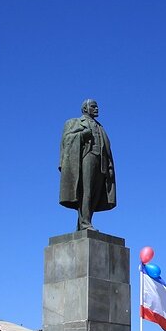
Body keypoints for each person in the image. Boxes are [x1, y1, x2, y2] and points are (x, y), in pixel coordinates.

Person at [59, 98, 116, 231]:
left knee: (96, 193)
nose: (97, 109)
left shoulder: (101, 128)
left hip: (100, 161)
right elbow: (66, 140)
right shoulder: (75, 122)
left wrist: (110, 166)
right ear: (85, 109)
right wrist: (83, 134)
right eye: (93, 107)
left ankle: (83, 224)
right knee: (86, 191)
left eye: (97, 107)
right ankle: (85, 223)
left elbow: (107, 149)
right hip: (87, 157)